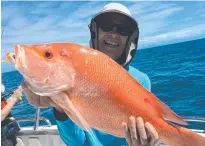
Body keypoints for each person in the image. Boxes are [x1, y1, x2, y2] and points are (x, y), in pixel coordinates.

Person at [21, 3, 159, 146]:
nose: (113, 33)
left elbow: (142, 131)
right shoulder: (73, 75)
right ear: (95, 31)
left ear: (131, 38)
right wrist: (61, 108)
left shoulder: (141, 80)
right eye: (106, 25)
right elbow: (76, 142)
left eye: (123, 30)